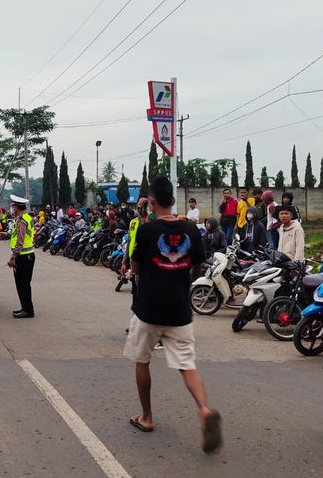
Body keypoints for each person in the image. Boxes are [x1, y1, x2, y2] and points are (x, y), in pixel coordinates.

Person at [123, 176, 222, 453]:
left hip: (148, 310)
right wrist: (180, 280)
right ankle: (203, 409)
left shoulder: (146, 231)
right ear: (174, 201)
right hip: (180, 309)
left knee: (141, 361)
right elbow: (197, 267)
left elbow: (137, 266)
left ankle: (147, 417)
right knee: (186, 364)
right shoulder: (191, 230)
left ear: (151, 202)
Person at [8, 195, 36, 318]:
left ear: (17, 207)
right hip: (27, 255)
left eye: (13, 206)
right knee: (24, 284)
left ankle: (28, 310)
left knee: (22, 284)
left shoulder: (22, 221)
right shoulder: (25, 217)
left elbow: (20, 240)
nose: (12, 208)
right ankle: (25, 307)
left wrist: (13, 257)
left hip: (23, 257)